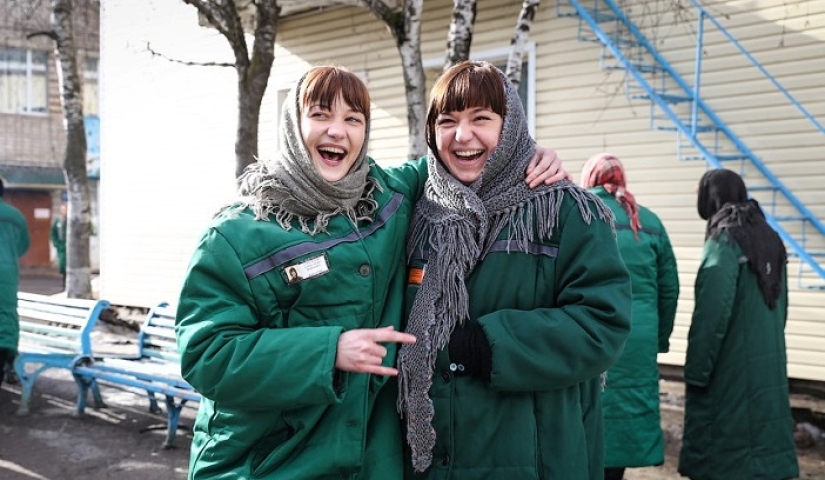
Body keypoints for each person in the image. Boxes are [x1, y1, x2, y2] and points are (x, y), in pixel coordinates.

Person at [175, 65, 567, 479]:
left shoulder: (388, 198)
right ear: (292, 124)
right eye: (321, 114)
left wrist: (529, 154)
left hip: (371, 462)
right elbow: (206, 355)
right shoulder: (236, 234)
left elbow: (458, 158)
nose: (337, 131)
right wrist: (329, 352)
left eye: (353, 119)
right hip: (268, 462)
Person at [397, 61, 631, 479]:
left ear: (511, 126)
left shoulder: (566, 212)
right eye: (447, 121)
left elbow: (602, 324)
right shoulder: (415, 211)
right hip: (434, 461)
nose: (462, 136)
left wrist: (489, 345)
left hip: (537, 457)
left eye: (481, 119)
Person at [678, 169, 798, 480]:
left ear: (711, 196)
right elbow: (781, 309)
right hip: (768, 366)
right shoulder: (770, 238)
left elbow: (711, 315)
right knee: (762, 454)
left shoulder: (724, 241)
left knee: (726, 460)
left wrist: (696, 373)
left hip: (728, 371)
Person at [579, 153, 679, 480]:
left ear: (590, 178)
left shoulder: (577, 212)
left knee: (584, 412)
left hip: (586, 333)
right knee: (623, 421)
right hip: (637, 337)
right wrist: (658, 340)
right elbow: (669, 290)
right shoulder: (648, 222)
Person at [0, 178, 31, 385]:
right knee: (7, 314)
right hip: (8, 273)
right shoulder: (15, 215)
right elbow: (23, 246)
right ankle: (9, 361)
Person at [50, 201, 67, 284]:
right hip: (61, 245)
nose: (63, 211)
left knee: (68, 264)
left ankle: (67, 281)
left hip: (69, 246)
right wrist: (55, 242)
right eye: (62, 209)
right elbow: (53, 232)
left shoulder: (70, 220)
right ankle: (64, 279)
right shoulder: (58, 220)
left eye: (65, 209)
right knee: (62, 264)